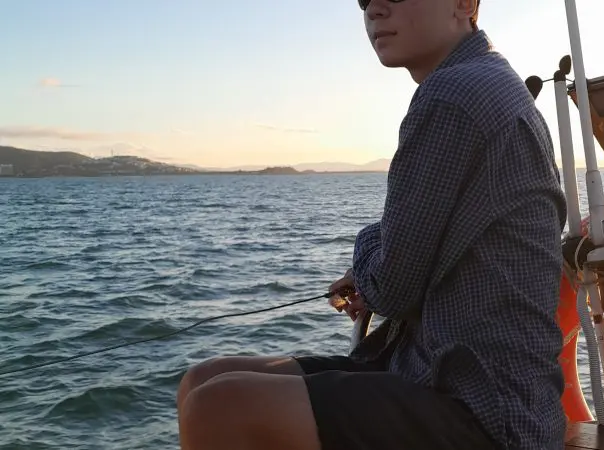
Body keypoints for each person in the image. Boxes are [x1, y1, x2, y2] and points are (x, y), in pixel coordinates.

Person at [176, 0, 568, 449]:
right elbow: (414, 252)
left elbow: (392, 285)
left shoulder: (454, 94)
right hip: (437, 373)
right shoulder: (487, 80)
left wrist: (365, 255)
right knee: (204, 380)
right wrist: (376, 268)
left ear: (465, 4)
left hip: (486, 411)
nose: (374, 9)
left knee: (219, 407)